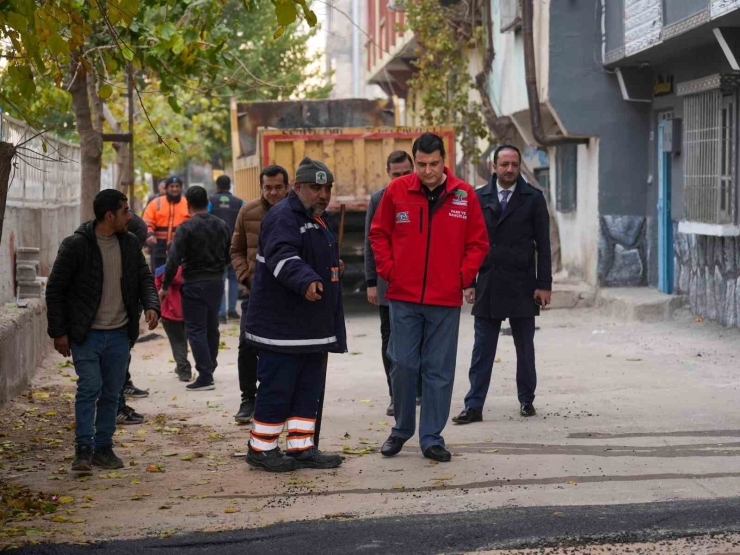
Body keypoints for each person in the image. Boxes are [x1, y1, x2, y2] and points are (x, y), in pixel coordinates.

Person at [369, 132, 488, 463]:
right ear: (414, 160)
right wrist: (389, 269)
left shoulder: (464, 195)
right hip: (404, 297)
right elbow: (378, 233)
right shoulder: (397, 191)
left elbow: (478, 242)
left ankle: (432, 437)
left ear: (443, 160)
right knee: (404, 364)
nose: (427, 171)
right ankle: (401, 429)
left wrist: (462, 277)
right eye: (421, 164)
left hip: (445, 299)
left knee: (438, 370)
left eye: (433, 164)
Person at [244, 157, 346, 473]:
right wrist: (308, 279)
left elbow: (309, 254)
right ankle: (261, 449)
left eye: (327, 188)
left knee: (307, 389)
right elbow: (283, 256)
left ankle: (301, 447)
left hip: (310, 326)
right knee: (277, 388)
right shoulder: (282, 217)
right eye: (316, 188)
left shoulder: (318, 218)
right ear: (298, 187)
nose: (323, 194)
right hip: (282, 328)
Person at [46, 189, 160, 472]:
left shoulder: (130, 243)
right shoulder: (76, 245)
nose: (129, 216)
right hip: (86, 334)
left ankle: (103, 448)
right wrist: (58, 332)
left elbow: (144, 277)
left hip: (120, 333)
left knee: (111, 392)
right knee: (89, 388)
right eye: (125, 211)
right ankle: (82, 450)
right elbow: (56, 289)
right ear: (110, 215)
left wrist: (151, 305)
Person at [452, 145, 552, 422]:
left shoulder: (533, 198)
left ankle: (526, 400)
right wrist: (468, 281)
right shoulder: (477, 197)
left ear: (519, 167)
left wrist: (544, 284)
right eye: (504, 164)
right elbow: (467, 242)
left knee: (525, 348)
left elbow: (543, 245)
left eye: (514, 165)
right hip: (488, 282)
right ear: (494, 166)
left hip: (523, 283)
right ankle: (474, 406)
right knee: (482, 348)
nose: (509, 169)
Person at [230, 165, 290, 424]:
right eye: (268, 187)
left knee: (286, 349)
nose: (273, 193)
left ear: (287, 187)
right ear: (261, 187)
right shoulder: (248, 211)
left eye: (278, 187)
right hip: (254, 293)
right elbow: (236, 249)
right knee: (247, 345)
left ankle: (285, 400)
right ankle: (248, 400)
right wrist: (245, 276)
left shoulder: (298, 212)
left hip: (289, 293)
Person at [159, 186, 231, 391]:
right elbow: (229, 254)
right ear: (207, 201)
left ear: (187, 203)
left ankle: (205, 375)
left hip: (193, 283)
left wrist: (165, 285)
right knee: (211, 326)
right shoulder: (222, 225)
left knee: (196, 329)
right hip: (216, 282)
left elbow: (173, 260)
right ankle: (210, 365)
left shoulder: (185, 228)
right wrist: (218, 269)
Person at [365, 151, 416, 417]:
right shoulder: (379, 199)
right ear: (388, 174)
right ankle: (395, 395)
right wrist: (372, 282)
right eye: (397, 174)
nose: (402, 178)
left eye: (407, 172)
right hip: (389, 286)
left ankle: (417, 392)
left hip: (420, 284)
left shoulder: (425, 196)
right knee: (391, 343)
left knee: (420, 341)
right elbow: (370, 242)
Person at [208, 174, 245, 324]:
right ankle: (232, 310)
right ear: (229, 186)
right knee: (233, 278)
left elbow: (205, 218)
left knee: (220, 278)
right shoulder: (239, 202)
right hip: (235, 245)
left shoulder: (210, 201)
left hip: (216, 246)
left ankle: (221, 314)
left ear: (217, 186)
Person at [155, 244, 192, 382]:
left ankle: (183, 370)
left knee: (177, 342)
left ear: (166, 253)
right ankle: (182, 365)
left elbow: (157, 293)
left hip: (169, 313)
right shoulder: (190, 271)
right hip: (188, 312)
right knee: (183, 341)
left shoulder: (160, 272)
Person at [143, 175, 189, 272]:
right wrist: (150, 235)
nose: (174, 189)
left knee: (179, 280)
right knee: (158, 278)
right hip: (159, 248)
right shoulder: (156, 203)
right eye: (172, 186)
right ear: (167, 188)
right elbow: (147, 222)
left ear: (181, 188)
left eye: (177, 186)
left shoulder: (187, 203)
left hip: (181, 248)